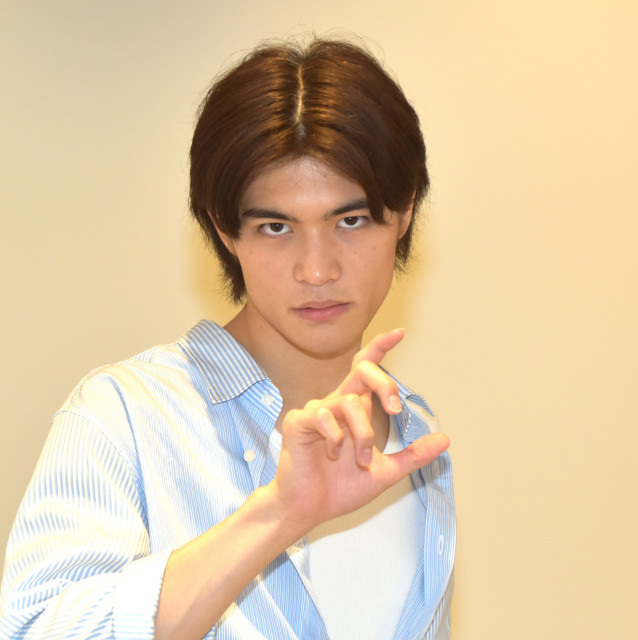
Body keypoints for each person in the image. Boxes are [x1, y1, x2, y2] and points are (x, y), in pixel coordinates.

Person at [0, 37, 455, 640]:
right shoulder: (124, 417)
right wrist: (276, 516)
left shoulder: (417, 441)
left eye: (351, 220)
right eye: (276, 227)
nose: (317, 269)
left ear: (405, 211)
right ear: (224, 229)